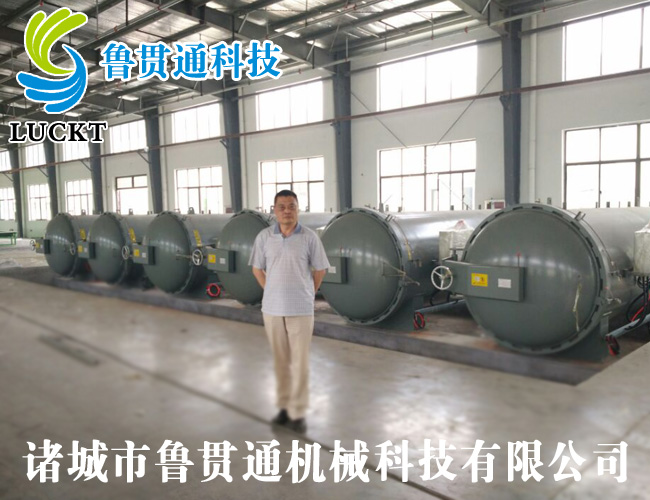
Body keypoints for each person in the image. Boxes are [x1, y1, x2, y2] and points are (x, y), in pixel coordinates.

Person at [249, 190, 329, 433]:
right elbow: (257, 268)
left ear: (298, 209)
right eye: (282, 206)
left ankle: (298, 412)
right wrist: (270, 289)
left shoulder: (309, 238)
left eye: (291, 206)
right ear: (274, 210)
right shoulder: (264, 237)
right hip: (272, 310)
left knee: (300, 361)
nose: (287, 211)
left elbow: (320, 269)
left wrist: (310, 291)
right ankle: (284, 407)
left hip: (301, 310)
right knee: (281, 361)